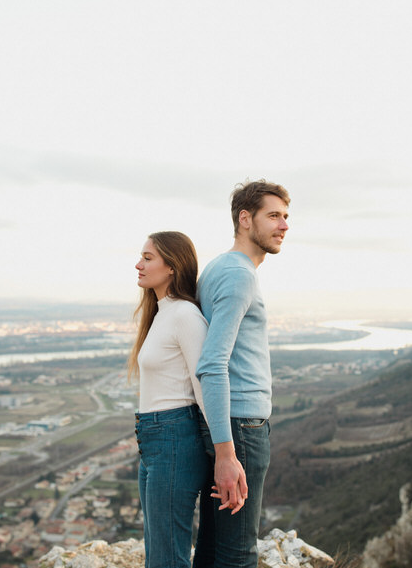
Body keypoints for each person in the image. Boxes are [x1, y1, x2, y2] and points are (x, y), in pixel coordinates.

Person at [192, 180, 290, 568]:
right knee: (238, 554)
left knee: (214, 547)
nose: (283, 226)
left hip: (224, 423)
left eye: (285, 217)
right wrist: (227, 452)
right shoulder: (239, 275)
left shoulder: (218, 267)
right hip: (241, 429)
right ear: (245, 219)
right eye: (273, 216)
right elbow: (212, 363)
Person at [130, 231, 210, 568]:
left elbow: (206, 386)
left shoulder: (185, 316)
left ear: (173, 266)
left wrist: (225, 454)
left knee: (167, 559)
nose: (139, 264)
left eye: (148, 258)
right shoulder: (162, 313)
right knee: (157, 553)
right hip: (153, 440)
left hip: (175, 438)